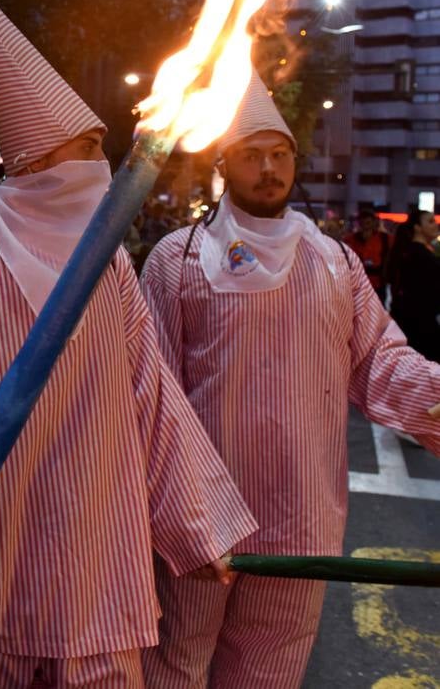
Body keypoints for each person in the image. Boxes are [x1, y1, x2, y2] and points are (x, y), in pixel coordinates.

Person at [0, 0, 254, 688]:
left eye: (102, 143)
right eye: (83, 144)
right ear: (31, 161)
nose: (100, 163)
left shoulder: (111, 272)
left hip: (97, 561)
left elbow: (151, 401)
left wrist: (198, 530)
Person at [140, 75, 440, 688]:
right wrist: (175, 515)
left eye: (280, 154)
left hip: (302, 512)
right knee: (175, 663)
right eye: (252, 154)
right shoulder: (177, 260)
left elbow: (381, 359)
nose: (269, 168)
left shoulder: (334, 261)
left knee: (270, 670)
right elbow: (150, 396)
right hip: (201, 517)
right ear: (223, 161)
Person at [386, 209, 440, 361]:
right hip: (420, 328)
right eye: (430, 221)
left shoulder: (412, 252)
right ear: (417, 227)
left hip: (412, 325)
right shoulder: (419, 255)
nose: (435, 226)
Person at [344, 204, 391, 304]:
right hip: (356, 285)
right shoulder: (350, 239)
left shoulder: (385, 239)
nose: (365, 225)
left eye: (368, 221)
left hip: (378, 285)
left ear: (374, 222)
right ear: (359, 223)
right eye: (363, 222)